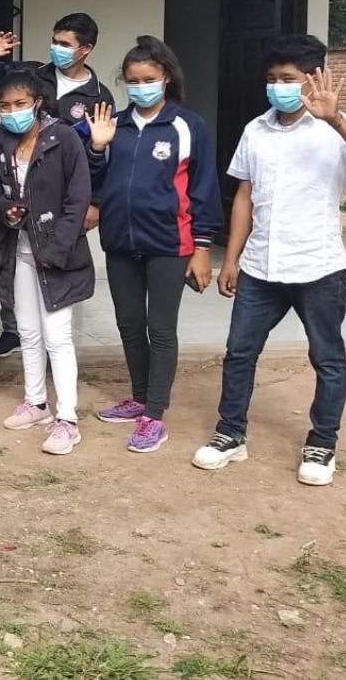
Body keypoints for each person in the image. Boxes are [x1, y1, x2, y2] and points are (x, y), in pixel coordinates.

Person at [192, 37, 346, 487]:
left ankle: (322, 442)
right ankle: (231, 433)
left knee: (327, 357)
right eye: (272, 79)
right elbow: (245, 195)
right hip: (261, 266)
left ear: (313, 79)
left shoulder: (337, 127)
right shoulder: (256, 130)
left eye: (288, 79)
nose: (278, 87)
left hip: (318, 265)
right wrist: (231, 258)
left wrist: (336, 119)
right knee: (240, 352)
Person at [86, 35, 222, 454]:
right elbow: (94, 182)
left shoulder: (187, 126)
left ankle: (155, 415)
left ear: (165, 78)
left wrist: (202, 248)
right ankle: (140, 397)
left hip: (169, 243)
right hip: (120, 241)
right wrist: (97, 147)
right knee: (129, 324)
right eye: (132, 80)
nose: (140, 86)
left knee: (160, 329)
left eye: (148, 79)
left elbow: (204, 189)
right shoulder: (114, 124)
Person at [0, 13, 115, 359]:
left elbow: (102, 149)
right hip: (20, 187)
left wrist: (95, 202)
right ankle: (14, 329)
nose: (56, 48)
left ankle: (59, 343)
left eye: (65, 44)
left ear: (86, 49)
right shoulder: (32, 75)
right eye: (55, 41)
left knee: (63, 263)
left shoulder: (99, 95)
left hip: (66, 194)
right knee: (16, 258)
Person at [0, 69, 94, 455]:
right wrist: (4, 210)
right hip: (17, 250)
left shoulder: (63, 138)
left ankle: (68, 420)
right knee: (27, 331)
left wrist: (57, 249)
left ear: (38, 103)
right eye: (5, 106)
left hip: (57, 254)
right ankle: (36, 403)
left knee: (58, 336)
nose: (13, 112)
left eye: (21, 104)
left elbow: (78, 199)